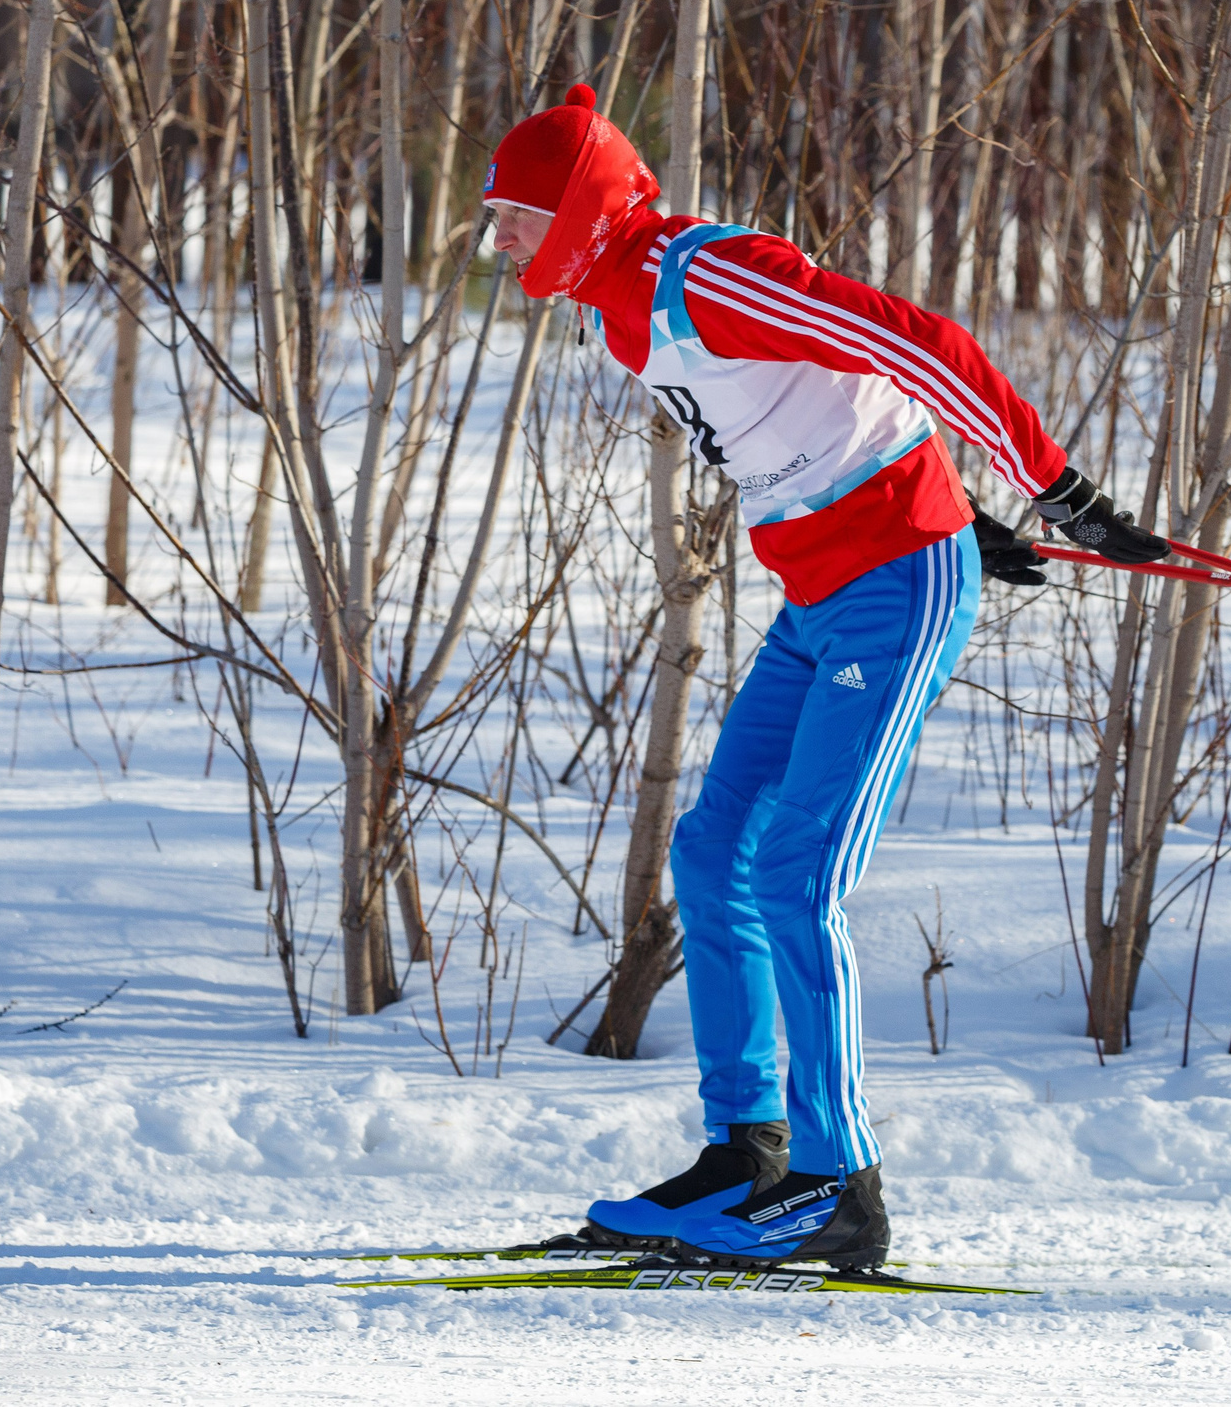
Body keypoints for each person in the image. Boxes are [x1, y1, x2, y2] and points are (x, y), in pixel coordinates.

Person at [483, 84, 1165, 1269]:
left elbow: (918, 344)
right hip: (824, 591)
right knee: (713, 851)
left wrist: (1047, 490)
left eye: (514, 216)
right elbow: (826, 410)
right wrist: (948, 500)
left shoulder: (709, 277)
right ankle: (745, 1150)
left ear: (581, 211)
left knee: (798, 871)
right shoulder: (621, 309)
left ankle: (838, 1184)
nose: (495, 239)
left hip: (894, 586)